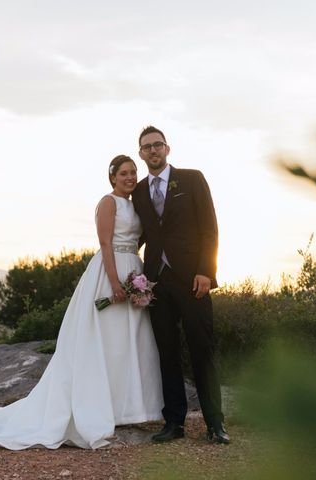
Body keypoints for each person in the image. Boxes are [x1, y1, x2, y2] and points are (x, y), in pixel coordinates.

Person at [0, 155, 163, 450]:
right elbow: (106, 243)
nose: (130, 177)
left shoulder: (135, 205)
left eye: (133, 172)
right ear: (112, 177)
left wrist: (137, 278)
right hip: (110, 272)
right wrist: (113, 282)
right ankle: (100, 409)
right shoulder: (108, 202)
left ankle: (129, 409)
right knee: (106, 341)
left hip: (133, 268)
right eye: (124, 173)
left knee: (128, 342)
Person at [132, 126, 229, 444]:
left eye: (157, 145)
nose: (153, 151)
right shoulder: (140, 192)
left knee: (202, 350)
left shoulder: (192, 179)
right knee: (167, 353)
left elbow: (210, 228)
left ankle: (215, 424)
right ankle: (174, 423)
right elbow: (140, 235)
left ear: (167, 148)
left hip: (193, 281)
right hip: (156, 284)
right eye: (146, 147)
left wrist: (205, 271)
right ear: (141, 154)